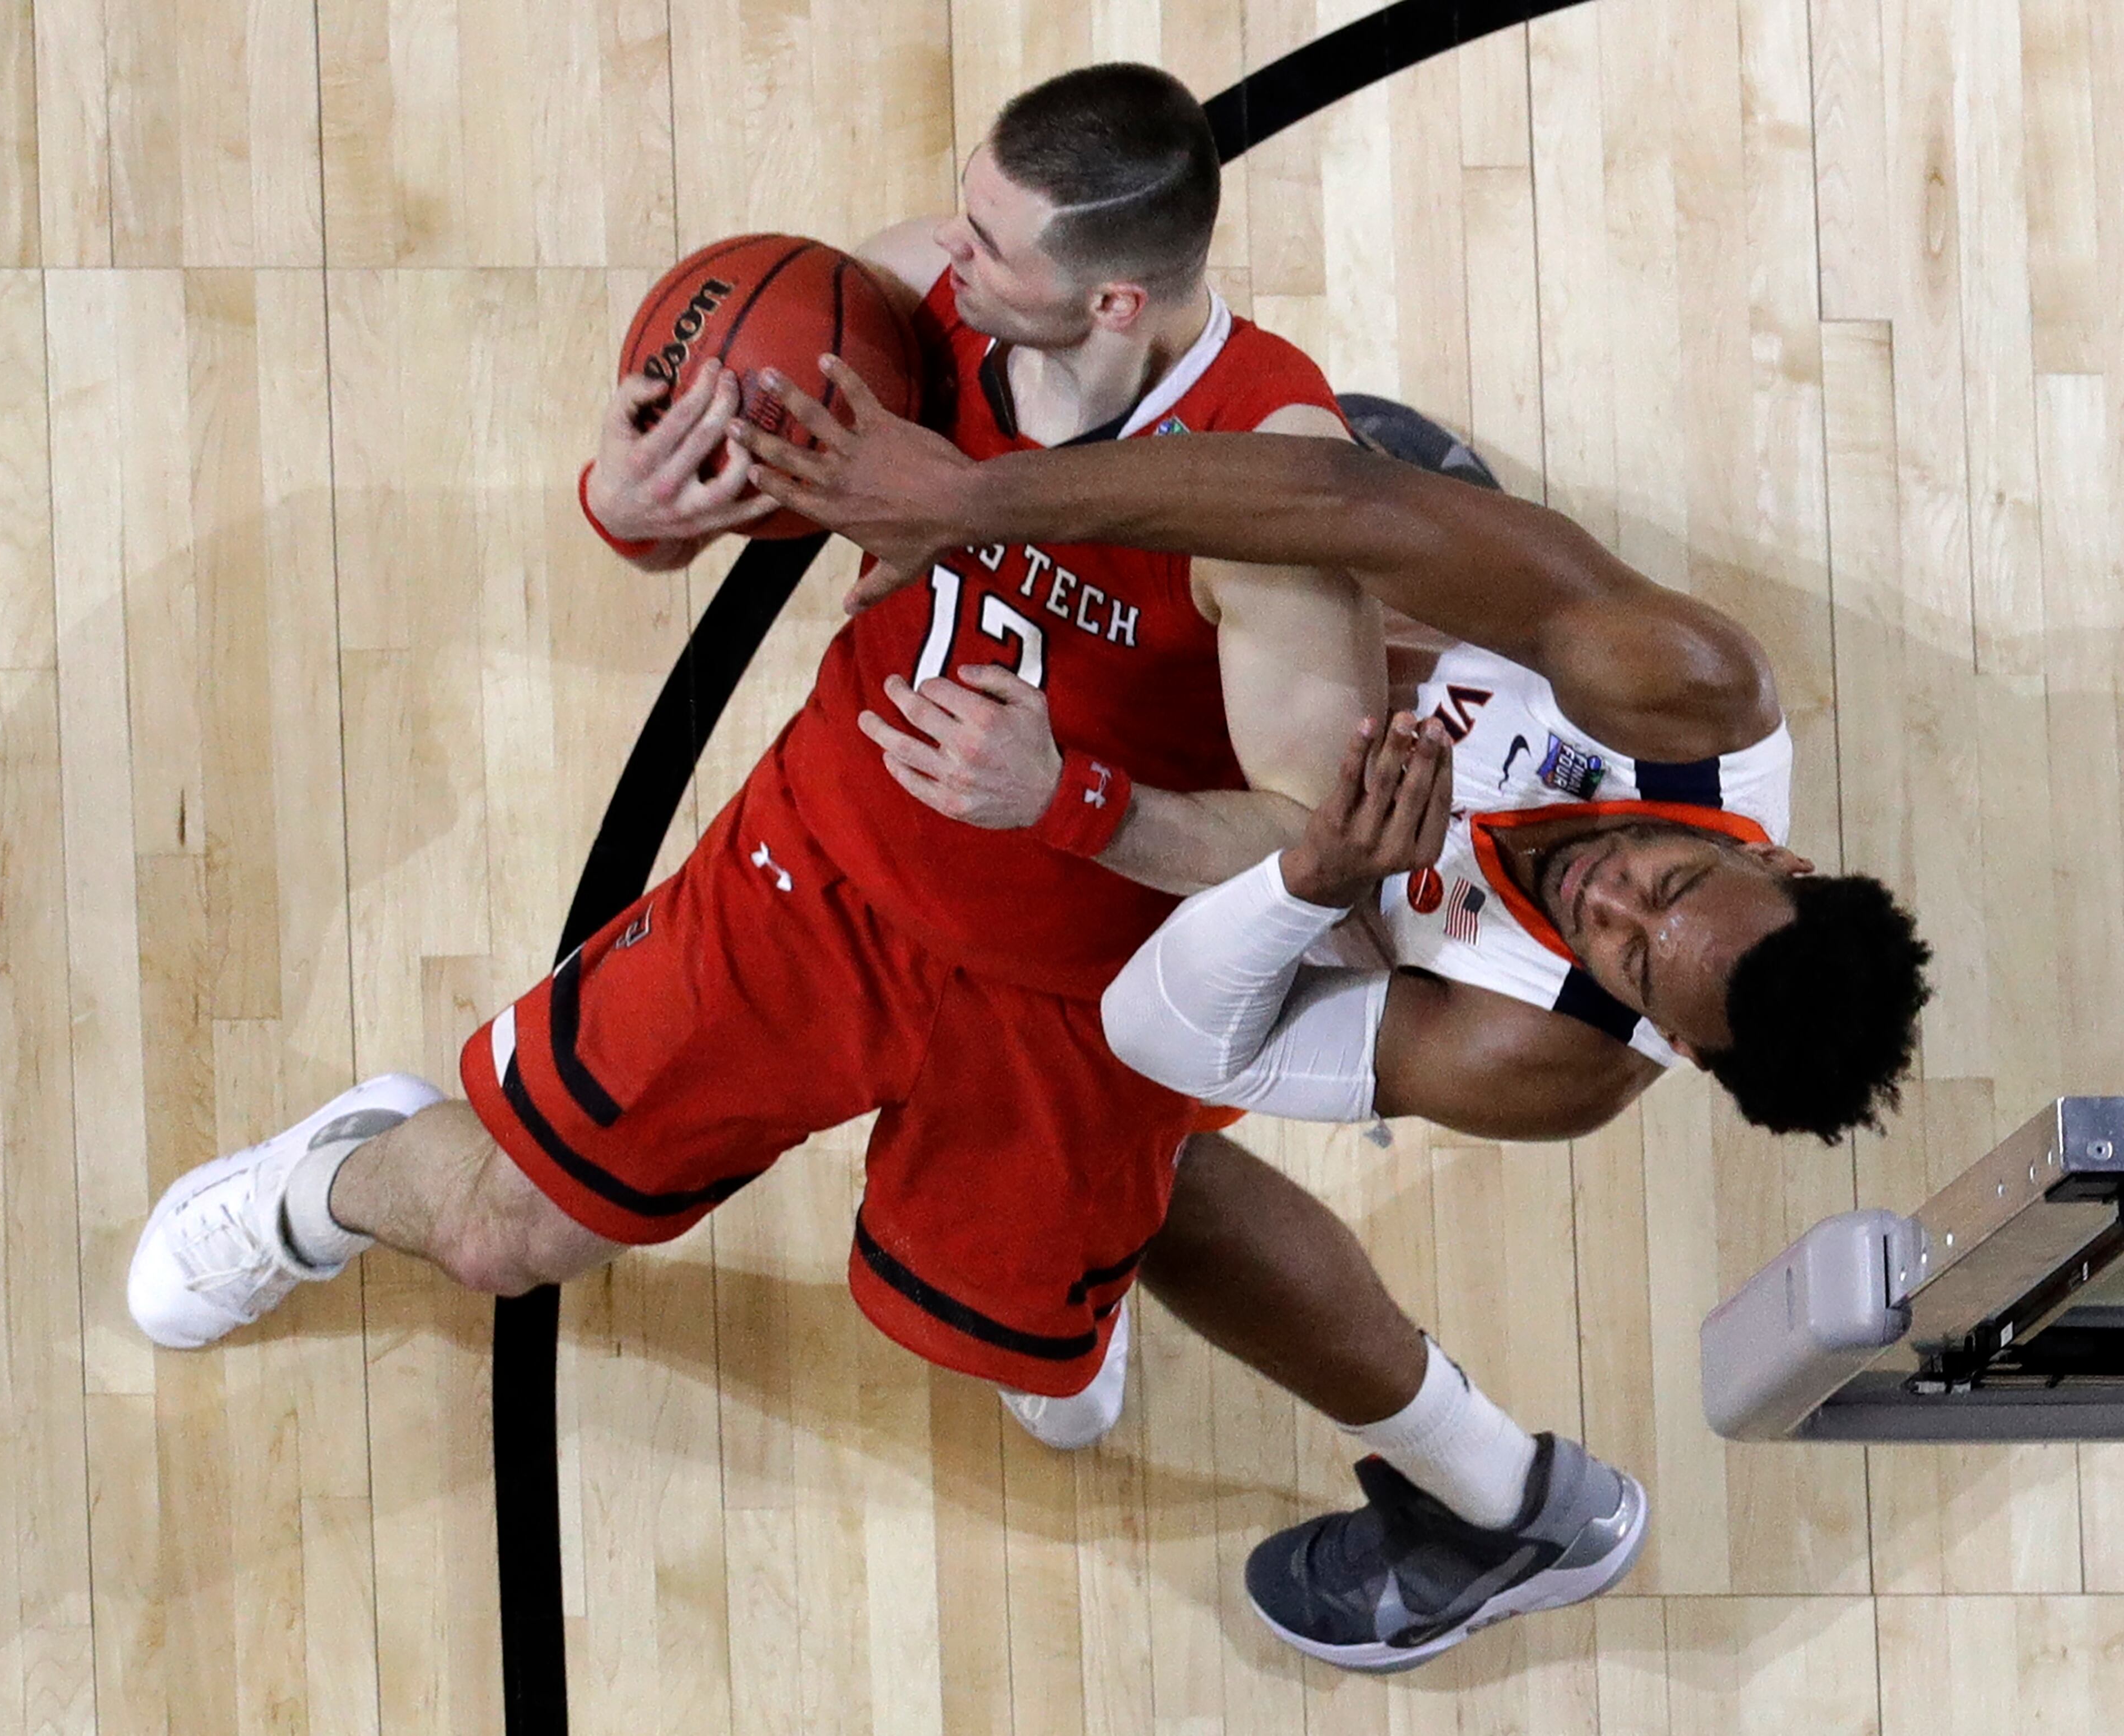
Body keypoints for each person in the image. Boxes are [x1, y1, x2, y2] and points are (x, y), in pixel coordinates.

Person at [126, 68, 1392, 1475]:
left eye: (987, 242)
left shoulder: (1271, 497)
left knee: (1020, 1347)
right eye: (963, 208)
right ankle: (321, 1184)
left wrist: (1070, 803)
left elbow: (1315, 846)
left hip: (1077, 995)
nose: (940, 250)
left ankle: (1049, 1293)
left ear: (1111, 303)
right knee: (503, 1237)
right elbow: (687, 514)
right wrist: (627, 507)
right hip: (826, 876)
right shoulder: (909, 303)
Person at [728, 358, 1933, 1672]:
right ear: (1781, 861)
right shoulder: (1686, 693)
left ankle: (1504, 1502)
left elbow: (1165, 1035)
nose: (1609, 903)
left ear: (1680, 1046)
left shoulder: (1538, 1054)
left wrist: (1280, 868)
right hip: (1325, 721)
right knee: (1338, 516)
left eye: (1637, 963)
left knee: (1140, 1157)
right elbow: (1326, 498)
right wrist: (975, 499)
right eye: (1674, 882)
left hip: (1291, 915)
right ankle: (1446, 536)